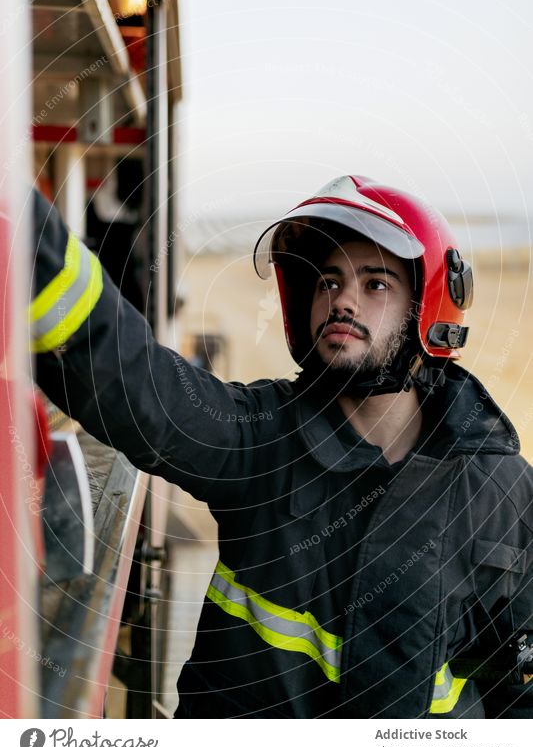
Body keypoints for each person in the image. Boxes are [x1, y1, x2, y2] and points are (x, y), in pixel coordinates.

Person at [30, 175, 533, 719]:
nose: (341, 300)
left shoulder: (502, 494)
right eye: (327, 281)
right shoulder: (264, 438)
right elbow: (139, 384)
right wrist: (25, 229)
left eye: (376, 284)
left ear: (429, 309)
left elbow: (516, 691)